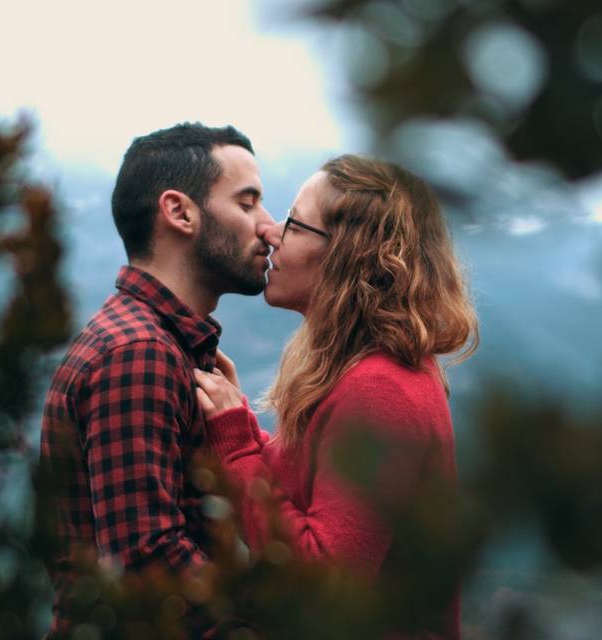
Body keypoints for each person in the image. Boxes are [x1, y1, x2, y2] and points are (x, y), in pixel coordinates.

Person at [194, 155, 479, 639]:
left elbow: (322, 582)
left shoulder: (381, 389)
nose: (272, 234)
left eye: (296, 225)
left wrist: (236, 448)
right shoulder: (362, 371)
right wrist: (236, 421)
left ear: (350, 255)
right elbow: (305, 498)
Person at [38, 122, 274, 636]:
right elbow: (148, 562)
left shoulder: (151, 342)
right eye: (248, 202)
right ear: (180, 212)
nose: (269, 226)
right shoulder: (139, 352)